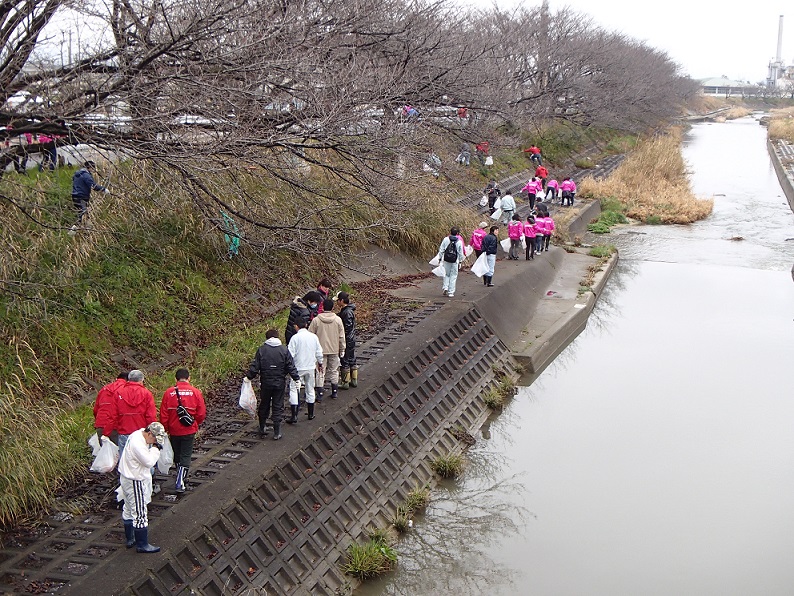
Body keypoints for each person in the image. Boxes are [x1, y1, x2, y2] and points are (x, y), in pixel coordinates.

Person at [118, 422, 167, 553]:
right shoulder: (138, 444)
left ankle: (130, 539)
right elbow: (149, 462)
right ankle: (142, 544)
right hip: (135, 480)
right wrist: (156, 449)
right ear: (150, 433)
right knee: (140, 512)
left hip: (126, 477)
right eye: (155, 439)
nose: (154, 442)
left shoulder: (136, 434)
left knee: (128, 508)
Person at [246, 330, 300, 440]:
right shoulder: (284, 350)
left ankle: (262, 427)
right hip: (279, 382)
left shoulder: (262, 350)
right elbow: (290, 366)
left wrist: (248, 377)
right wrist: (296, 378)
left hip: (266, 382)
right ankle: (277, 431)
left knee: (264, 404)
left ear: (267, 338)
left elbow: (255, 366)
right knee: (277, 405)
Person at [159, 368, 206, 491]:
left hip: (173, 429)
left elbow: (163, 414)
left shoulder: (169, 393)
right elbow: (201, 413)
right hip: (188, 429)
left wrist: (166, 428)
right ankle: (180, 480)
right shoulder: (195, 392)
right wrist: (195, 423)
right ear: (189, 378)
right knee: (186, 454)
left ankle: (180, 476)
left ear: (176, 379)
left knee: (177, 454)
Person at [287, 319, 323, 424]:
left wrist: (288, 367)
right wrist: (320, 363)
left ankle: (294, 415)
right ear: (306, 325)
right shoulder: (313, 337)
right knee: (310, 389)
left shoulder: (295, 338)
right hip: (310, 367)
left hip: (298, 368)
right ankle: (311, 413)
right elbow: (319, 352)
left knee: (294, 389)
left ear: (296, 326)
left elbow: (290, 355)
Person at [309, 298, 346, 400]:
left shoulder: (316, 320)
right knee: (334, 371)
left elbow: (310, 335)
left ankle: (319, 394)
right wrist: (342, 349)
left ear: (323, 306)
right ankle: (334, 392)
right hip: (334, 349)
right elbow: (341, 336)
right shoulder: (338, 320)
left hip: (320, 351)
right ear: (332, 307)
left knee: (320, 371)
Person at [116, 370, 157, 458]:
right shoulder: (147, 394)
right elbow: (151, 416)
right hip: (142, 433)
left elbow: (113, 414)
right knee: (144, 460)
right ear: (142, 380)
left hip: (124, 431)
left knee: (125, 461)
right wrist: (153, 432)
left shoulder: (119, 393)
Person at [70, 161, 108, 232]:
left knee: (84, 215)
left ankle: (88, 231)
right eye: (93, 168)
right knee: (82, 216)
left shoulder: (77, 174)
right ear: (90, 167)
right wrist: (104, 189)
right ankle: (72, 233)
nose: (94, 170)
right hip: (81, 197)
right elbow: (93, 186)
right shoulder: (86, 175)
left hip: (75, 196)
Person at [94, 372, 128, 442]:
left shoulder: (104, 389)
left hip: (100, 424)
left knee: (104, 451)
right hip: (116, 426)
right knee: (120, 451)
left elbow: (96, 409)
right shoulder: (125, 389)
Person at [435, 227, 465, 297]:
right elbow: (460, 253)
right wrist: (460, 261)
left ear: (450, 232)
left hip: (446, 259)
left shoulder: (446, 239)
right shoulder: (459, 242)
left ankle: (445, 287)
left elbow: (441, 249)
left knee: (446, 274)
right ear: (457, 233)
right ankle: (451, 292)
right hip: (455, 261)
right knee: (453, 276)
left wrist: (439, 258)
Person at [336, 292, 357, 390]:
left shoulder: (346, 312)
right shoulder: (348, 310)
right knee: (352, 359)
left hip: (347, 339)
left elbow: (347, 327)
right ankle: (354, 380)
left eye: (338, 300)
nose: (337, 302)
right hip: (351, 339)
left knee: (344, 360)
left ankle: (345, 382)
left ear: (342, 301)